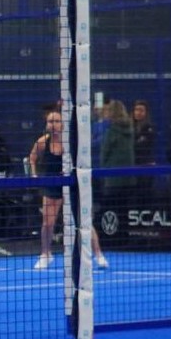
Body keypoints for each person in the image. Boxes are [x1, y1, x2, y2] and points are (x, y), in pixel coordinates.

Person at [27, 108, 106, 270]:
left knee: (84, 221)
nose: (54, 124)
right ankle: (45, 254)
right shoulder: (42, 142)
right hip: (51, 186)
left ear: (63, 124)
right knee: (47, 223)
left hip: (71, 185)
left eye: (57, 121)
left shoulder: (72, 141)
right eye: (51, 121)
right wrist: (34, 175)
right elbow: (32, 158)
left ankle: (98, 255)